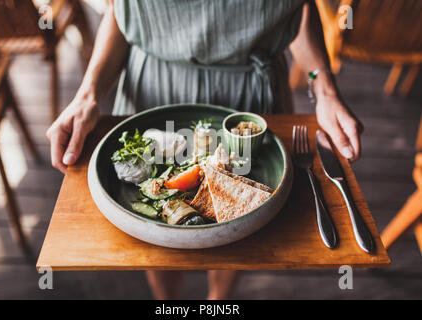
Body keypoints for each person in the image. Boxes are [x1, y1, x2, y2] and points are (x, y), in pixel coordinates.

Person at [47, 0, 363, 299]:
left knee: (238, 232)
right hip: (154, 89)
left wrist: (323, 86)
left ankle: (218, 300)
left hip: (253, 99)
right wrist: (87, 94)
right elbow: (122, 12)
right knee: (158, 239)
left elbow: (299, 10)